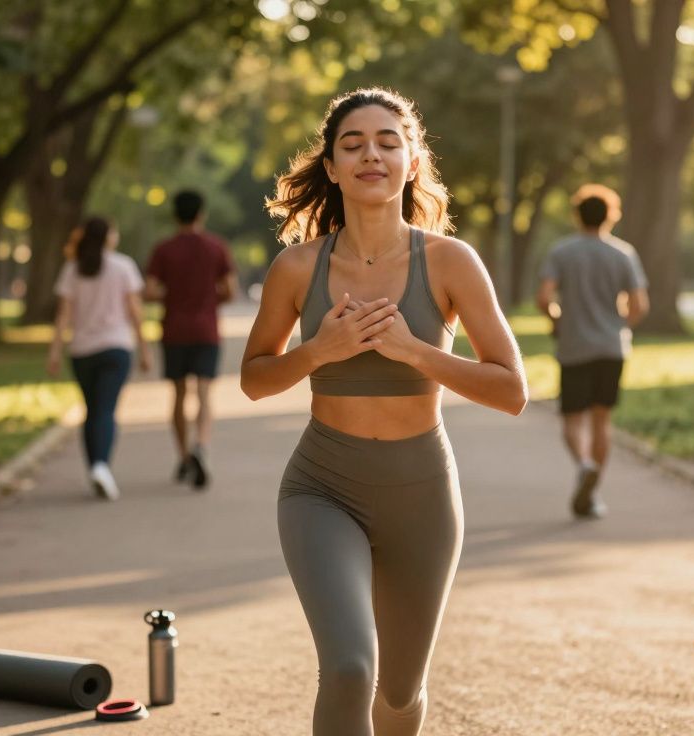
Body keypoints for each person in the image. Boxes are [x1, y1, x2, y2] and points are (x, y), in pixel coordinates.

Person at [241, 88, 527, 736]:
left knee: (398, 695)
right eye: (353, 143)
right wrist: (320, 350)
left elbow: (512, 390)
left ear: (413, 160)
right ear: (333, 166)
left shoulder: (451, 262)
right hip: (322, 487)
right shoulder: (297, 268)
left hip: (421, 491)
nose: (371, 153)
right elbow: (255, 380)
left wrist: (414, 352)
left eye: (388, 141)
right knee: (348, 668)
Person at [534, 184, 648, 519]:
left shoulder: (561, 252)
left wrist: (556, 320)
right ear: (611, 216)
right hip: (612, 348)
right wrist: (621, 325)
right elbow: (640, 304)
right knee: (602, 420)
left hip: (574, 347)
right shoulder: (623, 254)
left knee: (573, 420)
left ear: (577, 215)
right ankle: (593, 487)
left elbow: (544, 297)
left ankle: (584, 465)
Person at [48, 216, 151, 500]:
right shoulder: (124, 266)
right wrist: (144, 349)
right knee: (106, 410)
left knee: (92, 410)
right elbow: (135, 312)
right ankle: (102, 467)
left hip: (82, 351)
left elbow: (63, 315)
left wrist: (55, 351)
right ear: (108, 237)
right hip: (116, 348)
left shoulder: (73, 269)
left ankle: (95, 467)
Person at [145, 190, 237, 489]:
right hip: (206, 330)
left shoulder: (164, 249)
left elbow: (148, 291)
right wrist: (210, 299)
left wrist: (171, 295)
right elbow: (230, 290)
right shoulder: (216, 247)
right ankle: (202, 446)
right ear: (201, 214)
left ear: (175, 215)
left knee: (179, 393)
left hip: (174, 330)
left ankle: (184, 456)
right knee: (205, 392)